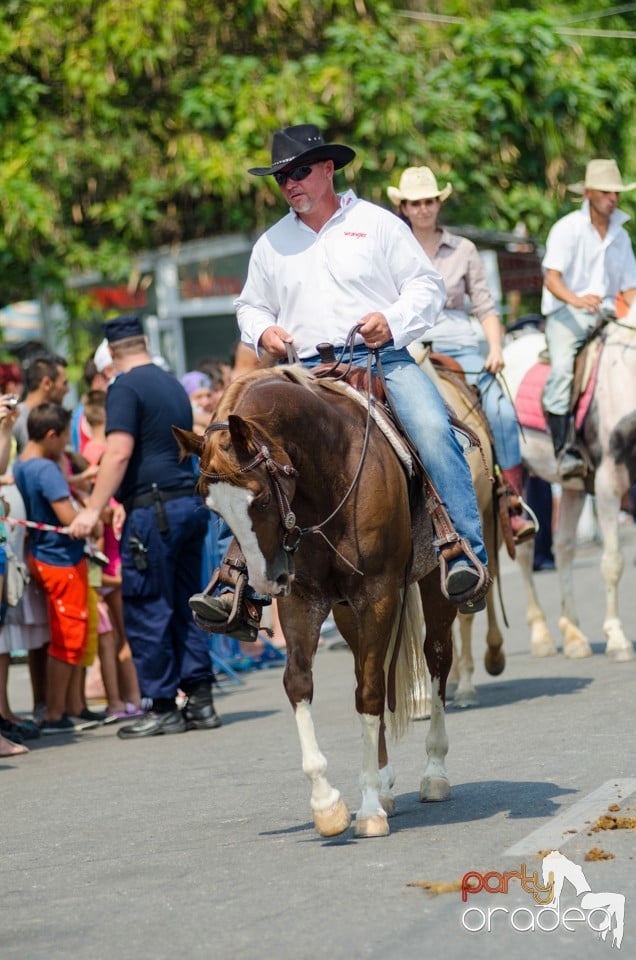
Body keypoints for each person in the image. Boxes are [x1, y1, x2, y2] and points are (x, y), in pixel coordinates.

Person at [189, 123, 490, 638]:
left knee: (435, 431)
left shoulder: (377, 224)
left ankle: (463, 554)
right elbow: (249, 305)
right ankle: (236, 582)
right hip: (300, 372)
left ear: (328, 169)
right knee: (232, 455)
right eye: (281, 177)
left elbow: (426, 286)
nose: (289, 184)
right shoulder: (271, 243)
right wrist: (265, 329)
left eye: (299, 172)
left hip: (379, 359)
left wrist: (391, 321)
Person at [68, 315, 221, 738]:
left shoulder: (124, 387)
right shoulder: (170, 382)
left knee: (149, 608)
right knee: (186, 603)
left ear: (112, 354)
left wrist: (92, 509)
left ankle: (162, 705)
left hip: (152, 513)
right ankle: (202, 700)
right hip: (186, 504)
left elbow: (118, 453)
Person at [387, 165, 537, 544]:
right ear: (403, 206)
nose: (423, 208)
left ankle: (510, 497)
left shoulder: (464, 249)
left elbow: (486, 306)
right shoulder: (389, 247)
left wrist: (497, 348)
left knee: (501, 405)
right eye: (415, 202)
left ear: (439, 203)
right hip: (408, 345)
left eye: (429, 201)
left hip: (459, 344)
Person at [541, 158, 636, 480]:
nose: (614, 198)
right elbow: (552, 280)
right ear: (589, 193)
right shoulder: (566, 229)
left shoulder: (620, 236)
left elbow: (630, 288)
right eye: (608, 192)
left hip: (609, 315)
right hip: (568, 312)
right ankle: (564, 450)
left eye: (617, 192)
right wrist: (578, 299)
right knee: (563, 370)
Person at [13, 403, 97, 735]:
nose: (66, 445)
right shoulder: (46, 470)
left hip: (43, 555)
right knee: (68, 637)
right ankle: (56, 712)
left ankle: (64, 707)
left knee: (66, 635)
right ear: (51, 435)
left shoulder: (22, 464)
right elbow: (68, 518)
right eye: (64, 438)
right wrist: (92, 516)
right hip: (59, 559)